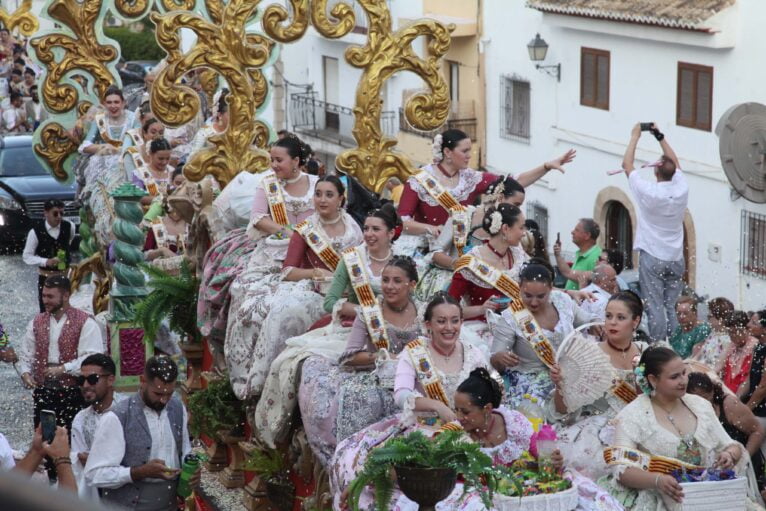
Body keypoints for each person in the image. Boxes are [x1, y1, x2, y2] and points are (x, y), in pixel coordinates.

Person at [253, 207, 399, 452]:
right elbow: (331, 302)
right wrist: (365, 312)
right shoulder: (352, 259)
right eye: (366, 229)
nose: (370, 234)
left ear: (391, 233)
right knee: (291, 362)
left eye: (376, 229)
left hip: (394, 332)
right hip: (354, 331)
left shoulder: (403, 263)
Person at [330, 293, 489, 510]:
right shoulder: (415, 352)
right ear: (428, 325)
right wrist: (437, 406)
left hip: (468, 429)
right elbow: (402, 394)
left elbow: (491, 390)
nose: (449, 327)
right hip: (423, 428)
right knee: (380, 469)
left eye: (455, 320)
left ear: (462, 322)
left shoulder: (473, 353)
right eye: (441, 321)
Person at [224, 175, 361, 399]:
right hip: (309, 290)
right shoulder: (305, 229)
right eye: (318, 194)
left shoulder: (354, 230)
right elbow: (288, 272)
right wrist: (315, 273)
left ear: (341, 199)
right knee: (275, 315)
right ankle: (263, 382)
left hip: (345, 295)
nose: (322, 200)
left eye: (329, 195)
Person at [297, 256, 422, 465]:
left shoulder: (424, 311)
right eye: (385, 280)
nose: (389, 287)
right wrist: (383, 357)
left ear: (412, 285)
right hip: (380, 377)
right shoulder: (369, 312)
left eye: (397, 281)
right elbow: (350, 356)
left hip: (418, 378)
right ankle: (358, 464)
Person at [602, 346, 761, 509]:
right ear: (653, 379)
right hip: (659, 499)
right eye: (674, 377)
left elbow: (731, 445)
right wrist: (657, 480)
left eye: (684, 373)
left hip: (709, 497)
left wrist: (729, 455)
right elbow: (621, 468)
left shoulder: (700, 406)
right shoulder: (633, 415)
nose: (683, 381)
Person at [197, 135, 317, 349]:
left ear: (296, 161)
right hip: (275, 249)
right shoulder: (268, 184)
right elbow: (259, 218)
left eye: (279, 160)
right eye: (272, 160)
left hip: (313, 250)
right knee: (240, 287)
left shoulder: (316, 185)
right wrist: (289, 234)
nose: (274, 165)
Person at [16, 276, 103, 480]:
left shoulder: (85, 322)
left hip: (74, 393)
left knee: (72, 442)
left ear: (66, 295)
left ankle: (73, 487)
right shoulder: (37, 322)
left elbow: (92, 358)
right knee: (45, 441)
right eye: (44, 295)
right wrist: (26, 373)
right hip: (44, 393)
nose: (45, 300)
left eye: (50, 296)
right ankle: (52, 482)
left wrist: (64, 368)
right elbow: (26, 354)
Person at [85, 356, 200, 510]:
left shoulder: (178, 407)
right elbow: (94, 474)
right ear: (143, 381)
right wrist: (138, 472)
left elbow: (184, 450)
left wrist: (191, 471)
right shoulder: (118, 416)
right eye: (158, 394)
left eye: (169, 394)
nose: (164, 400)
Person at [490, 262, 596, 407]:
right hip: (532, 385)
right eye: (527, 296)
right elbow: (495, 358)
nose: (533, 302)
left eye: (541, 296)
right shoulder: (511, 317)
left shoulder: (562, 301)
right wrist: (500, 358)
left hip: (570, 375)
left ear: (551, 288)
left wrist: (597, 324)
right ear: (519, 287)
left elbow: (586, 320)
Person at [622, 122, 688, 341]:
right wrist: (659, 136)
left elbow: (627, 165)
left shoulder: (649, 192)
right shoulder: (681, 188)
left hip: (653, 255)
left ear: (656, 171)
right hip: (676, 256)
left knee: (655, 304)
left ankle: (659, 345)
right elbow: (675, 162)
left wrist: (635, 137)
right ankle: (676, 342)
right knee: (672, 305)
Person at [447, 204, 530, 357]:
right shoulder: (471, 262)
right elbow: (447, 311)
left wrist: (569, 292)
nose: (524, 233)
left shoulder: (518, 255)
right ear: (505, 229)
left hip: (514, 327)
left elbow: (534, 288)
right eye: (521, 227)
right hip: (480, 331)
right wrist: (482, 309)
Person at [687, 371, 766, 490]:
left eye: (704, 397)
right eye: (695, 399)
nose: (701, 402)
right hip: (715, 473)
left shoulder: (728, 404)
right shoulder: (689, 411)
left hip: (744, 467)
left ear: (712, 392)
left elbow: (758, 430)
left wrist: (744, 458)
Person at [70, 354, 121, 501]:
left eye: (92, 379)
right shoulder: (80, 418)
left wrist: (96, 459)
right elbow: (79, 462)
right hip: (95, 495)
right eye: (81, 380)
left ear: (110, 379)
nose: (85, 385)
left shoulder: (127, 411)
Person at [22, 199, 76, 312]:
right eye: (55, 213)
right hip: (45, 278)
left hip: (65, 276)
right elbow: (26, 256)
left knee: (66, 310)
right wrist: (46, 261)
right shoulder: (35, 232)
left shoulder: (69, 226)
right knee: (47, 310)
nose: (59, 217)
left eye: (62, 213)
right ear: (45, 213)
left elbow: (68, 242)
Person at [553, 218, 602, 291]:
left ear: (587, 235)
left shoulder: (596, 257)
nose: (572, 232)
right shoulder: (582, 253)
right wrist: (558, 254)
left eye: (577, 230)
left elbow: (568, 273)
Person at [720, 311, 758, 394]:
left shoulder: (754, 347)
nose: (733, 335)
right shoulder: (731, 345)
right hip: (728, 391)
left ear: (747, 329)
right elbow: (718, 367)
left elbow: (747, 380)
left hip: (743, 394)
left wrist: (735, 401)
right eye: (730, 332)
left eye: (737, 331)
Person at [741, 310, 766, 436]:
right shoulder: (758, 347)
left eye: (754, 323)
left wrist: (747, 409)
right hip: (754, 405)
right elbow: (749, 379)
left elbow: (763, 387)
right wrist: (736, 400)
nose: (748, 325)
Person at [690, 297, 733, 369]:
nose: (707, 319)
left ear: (721, 319)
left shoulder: (728, 340)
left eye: (709, 316)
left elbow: (718, 367)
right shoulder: (713, 333)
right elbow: (698, 356)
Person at [132, 137, 173, 208]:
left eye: (167, 158)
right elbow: (137, 197)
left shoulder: (172, 171)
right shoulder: (140, 173)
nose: (164, 162)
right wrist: (161, 200)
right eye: (160, 158)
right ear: (151, 154)